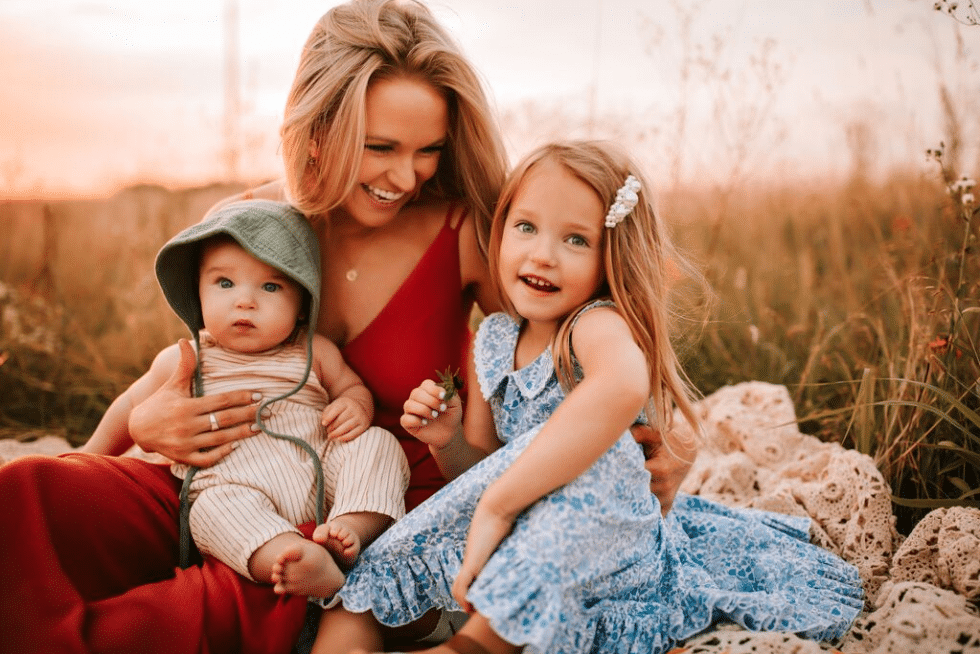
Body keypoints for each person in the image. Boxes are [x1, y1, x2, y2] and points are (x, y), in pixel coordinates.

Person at [0, 2, 691, 653]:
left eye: (428, 150)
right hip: (231, 475)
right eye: (380, 145)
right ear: (319, 126)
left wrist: (652, 456)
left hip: (369, 513)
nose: (406, 176)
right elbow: (197, 366)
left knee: (211, 598)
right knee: (26, 493)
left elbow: (580, 351)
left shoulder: (463, 232)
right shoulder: (249, 223)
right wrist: (147, 426)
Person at [322, 141, 866, 654]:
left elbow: (622, 385)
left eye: (575, 239)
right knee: (382, 565)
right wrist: (447, 442)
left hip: (603, 537)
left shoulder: (593, 325)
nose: (543, 255)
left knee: (604, 451)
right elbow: (486, 468)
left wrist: (499, 504)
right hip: (518, 521)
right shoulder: (492, 339)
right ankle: (350, 634)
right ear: (500, 232)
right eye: (526, 228)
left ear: (612, 256)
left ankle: (480, 643)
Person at [88, 199, 411, 599]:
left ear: (301, 303)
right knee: (210, 510)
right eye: (225, 283)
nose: (245, 300)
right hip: (235, 484)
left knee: (377, 444)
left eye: (271, 286)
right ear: (198, 291)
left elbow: (350, 386)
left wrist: (354, 405)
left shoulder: (313, 351)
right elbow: (131, 405)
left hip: (321, 473)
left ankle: (349, 531)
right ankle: (288, 557)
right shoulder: (186, 357)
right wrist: (89, 453)